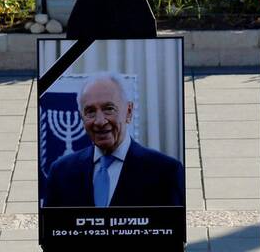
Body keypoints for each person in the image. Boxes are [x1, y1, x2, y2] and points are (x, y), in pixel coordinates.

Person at [44, 72, 184, 207]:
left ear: (128, 112)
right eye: (90, 111)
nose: (99, 121)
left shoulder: (166, 173)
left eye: (108, 109)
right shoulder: (60, 173)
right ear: (81, 117)